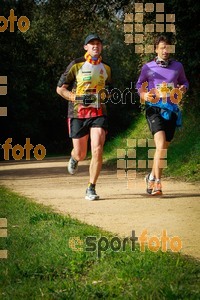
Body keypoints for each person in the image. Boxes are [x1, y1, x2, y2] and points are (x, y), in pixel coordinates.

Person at [56, 33, 112, 200]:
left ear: (101, 47)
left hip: (99, 112)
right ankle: (74, 157)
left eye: (98, 43)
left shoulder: (107, 68)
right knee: (82, 154)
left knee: (97, 148)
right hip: (77, 113)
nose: (95, 46)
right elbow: (60, 89)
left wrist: (105, 96)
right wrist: (77, 98)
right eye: (91, 43)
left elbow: (109, 90)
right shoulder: (76, 64)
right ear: (85, 47)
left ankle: (91, 187)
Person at [136, 35, 189, 196]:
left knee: (163, 149)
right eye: (162, 47)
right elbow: (139, 84)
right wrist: (144, 96)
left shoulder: (177, 66)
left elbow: (185, 82)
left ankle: (151, 176)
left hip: (171, 109)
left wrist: (182, 89)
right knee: (159, 145)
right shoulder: (148, 67)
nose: (165, 51)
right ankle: (158, 183)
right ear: (156, 49)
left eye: (168, 47)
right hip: (154, 109)